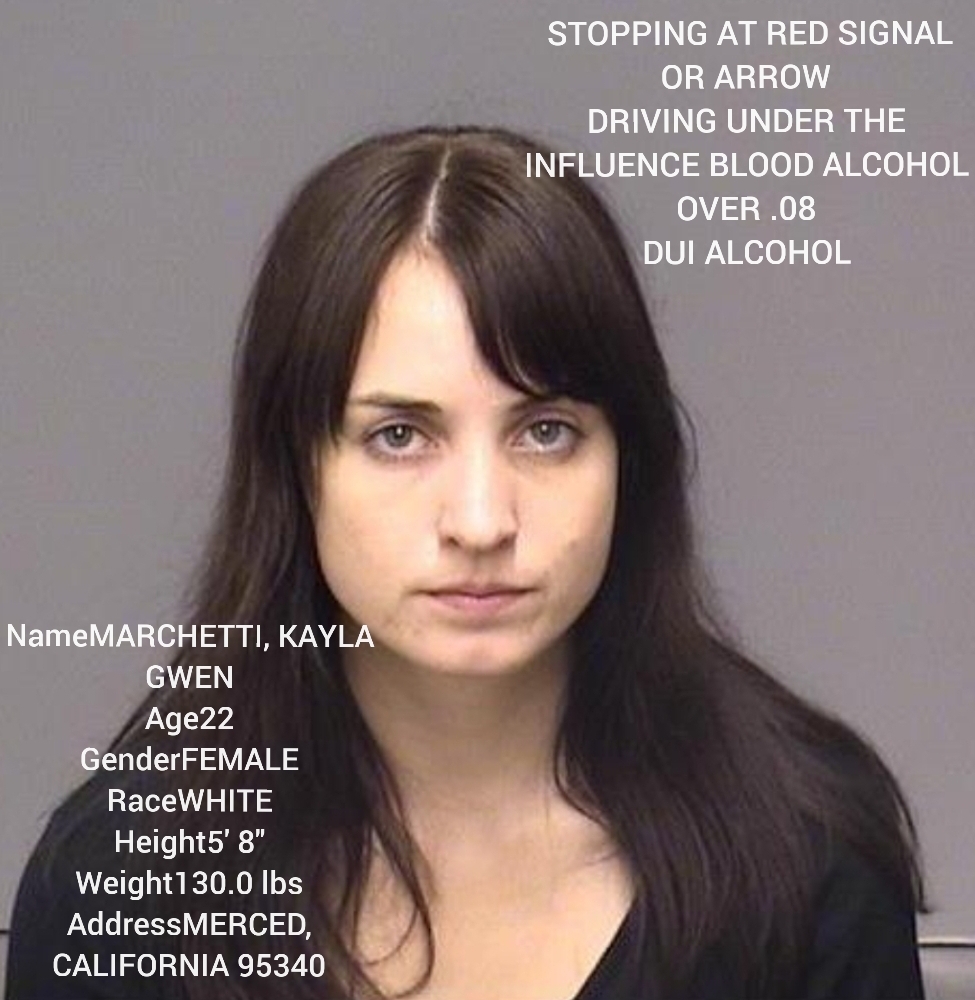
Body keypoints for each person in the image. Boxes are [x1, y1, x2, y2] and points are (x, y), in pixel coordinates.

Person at [6, 126, 925, 999]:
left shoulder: (806, 852)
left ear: (630, 461)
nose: (481, 521)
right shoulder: (122, 881)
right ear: (296, 469)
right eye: (399, 435)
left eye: (546, 431)